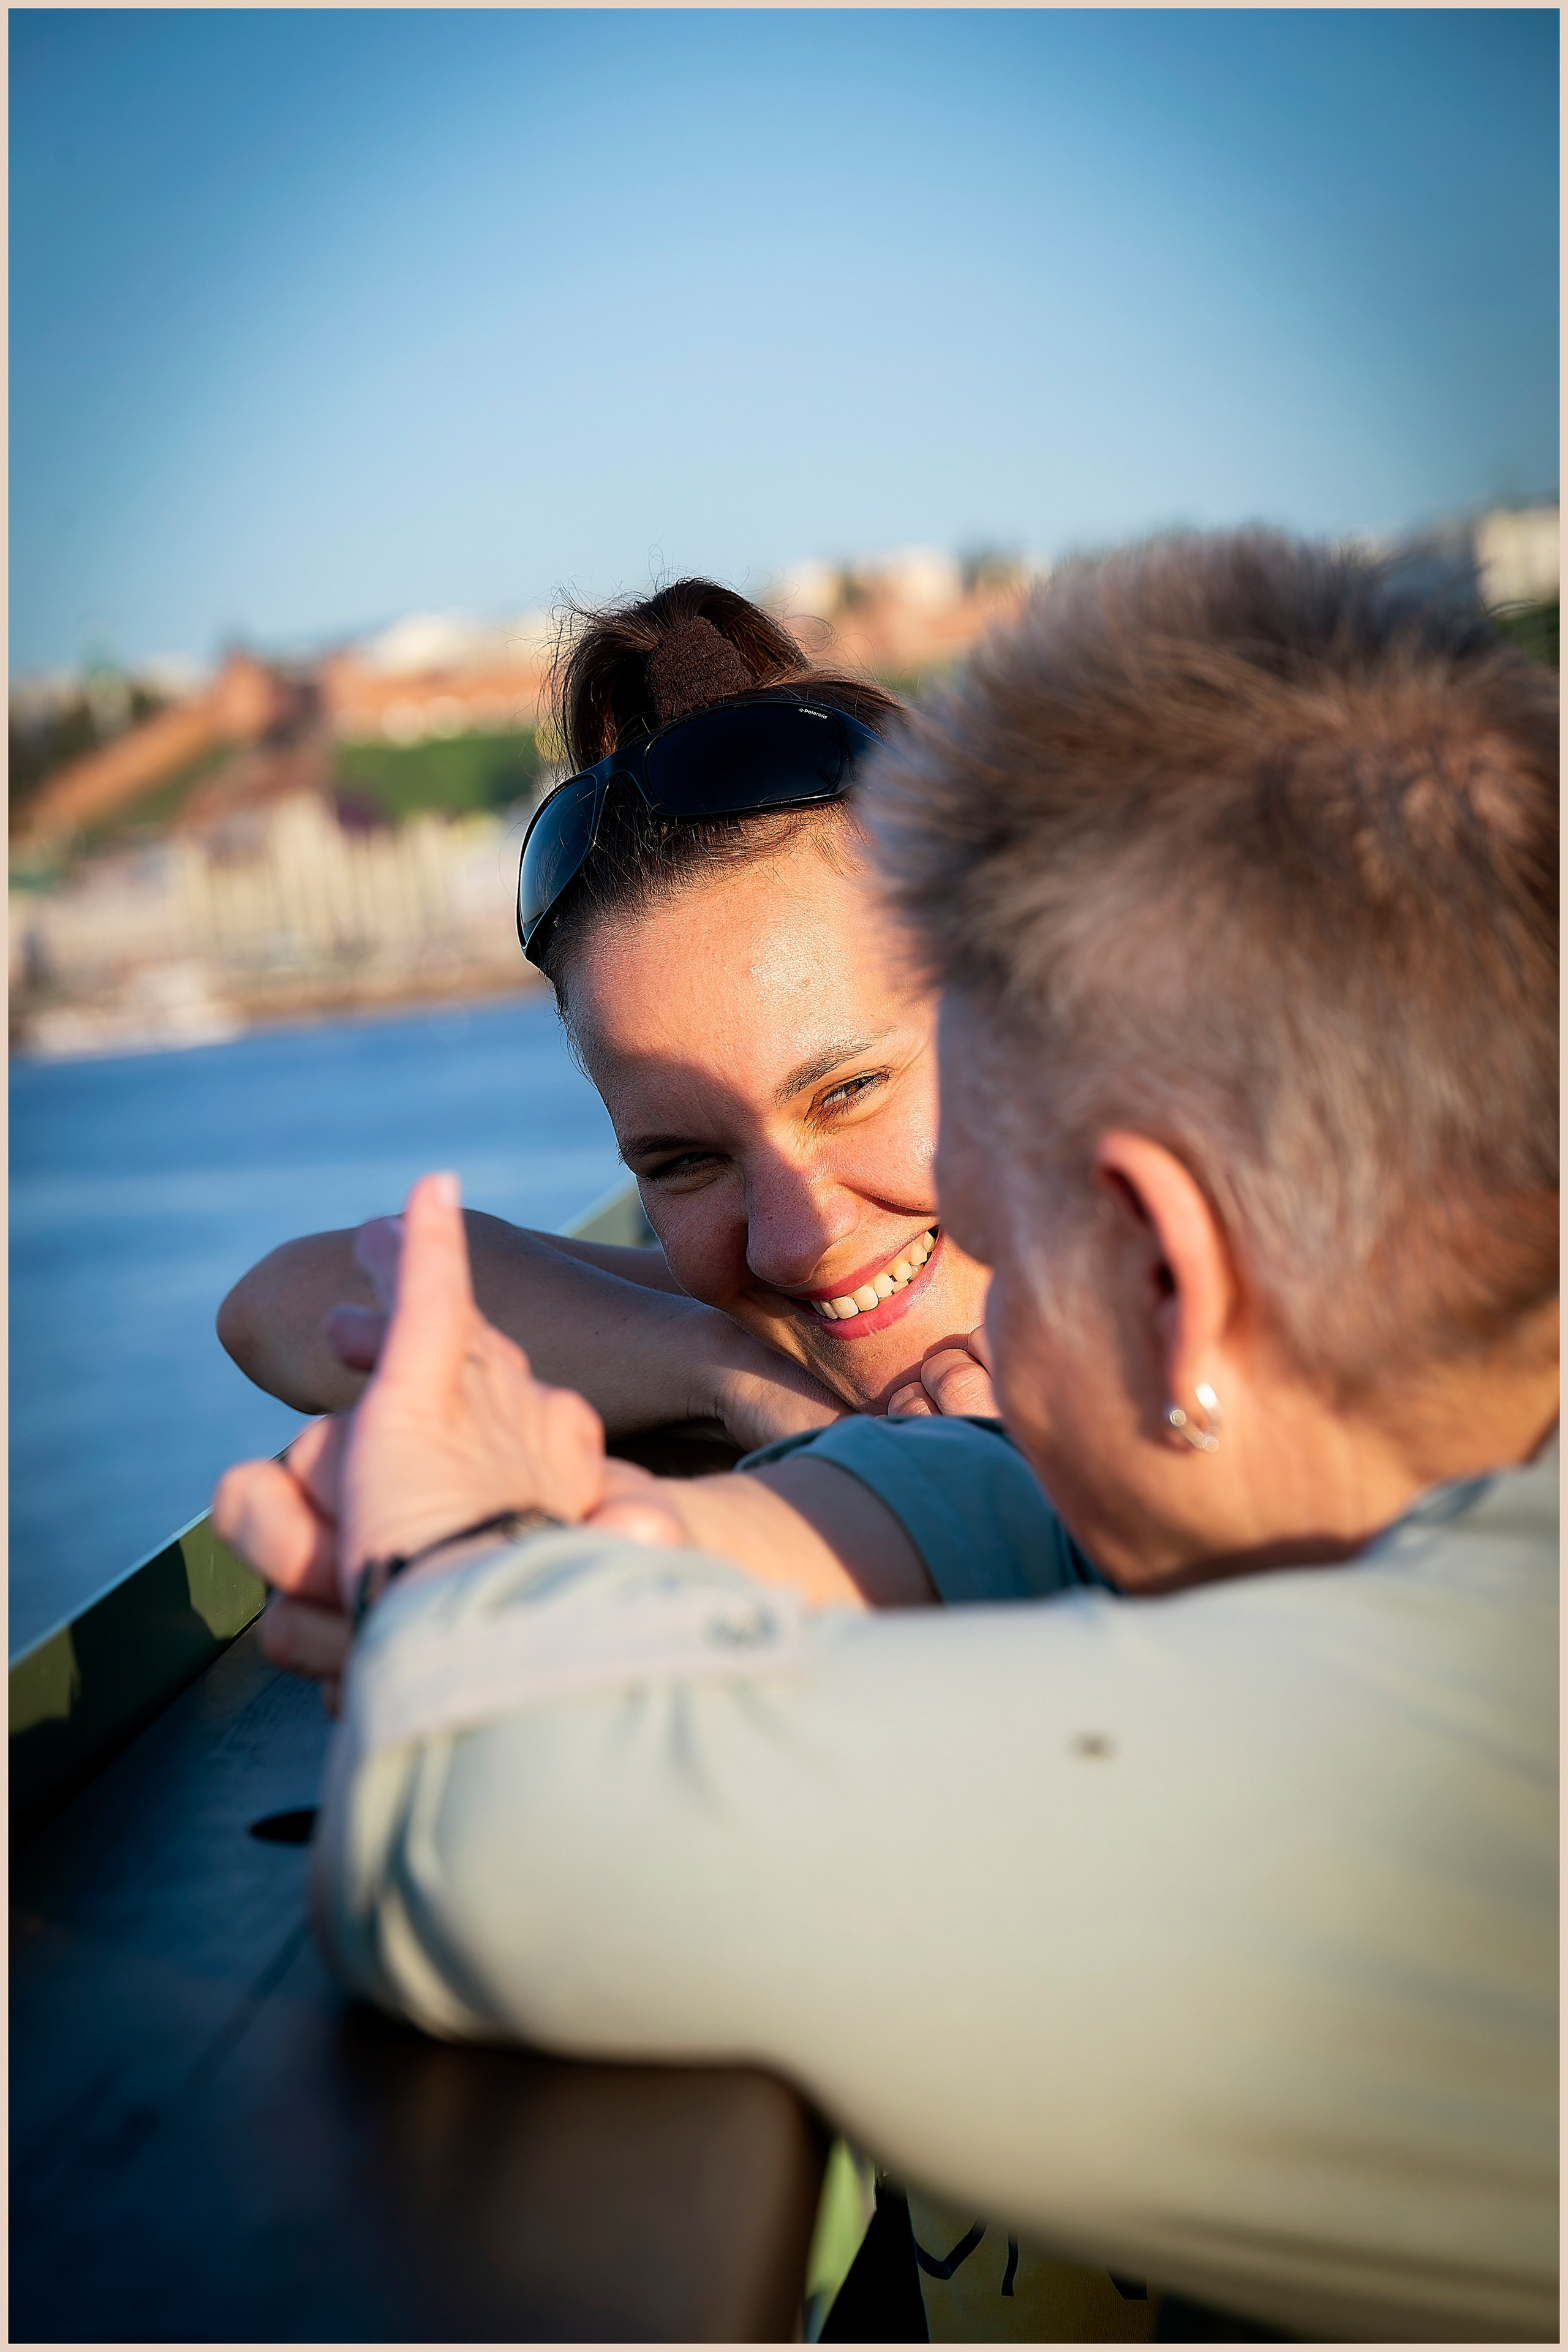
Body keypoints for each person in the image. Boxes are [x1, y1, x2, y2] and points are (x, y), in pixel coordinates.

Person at [214, 530, 1558, 2342]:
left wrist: (451, 1571)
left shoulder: (1463, 1767)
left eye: (1007, 1236)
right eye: (683, 1159)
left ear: (1168, 1259)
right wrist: (669, 1489)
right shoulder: (1268, 1483)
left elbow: (493, 1803)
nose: (818, 1244)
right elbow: (969, 1497)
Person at [216, 581, 997, 1449]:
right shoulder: (761, 1341)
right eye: (687, 1162)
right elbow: (281, 1306)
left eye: (850, 1090)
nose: (792, 1246)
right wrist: (723, 1373)